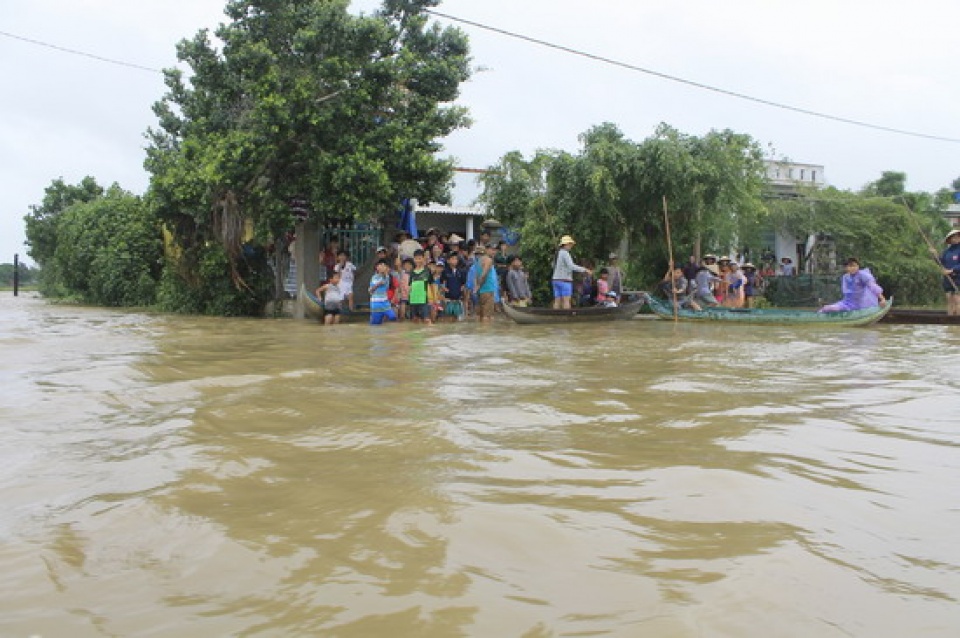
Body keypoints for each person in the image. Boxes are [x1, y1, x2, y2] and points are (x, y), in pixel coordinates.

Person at [819, 257, 886, 313]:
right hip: (847, 302)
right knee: (827, 308)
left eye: (854, 266)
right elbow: (846, 292)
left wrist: (882, 299)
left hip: (860, 304)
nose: (852, 268)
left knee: (832, 308)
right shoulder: (845, 277)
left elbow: (873, 287)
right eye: (850, 266)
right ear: (846, 268)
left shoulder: (862, 275)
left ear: (858, 266)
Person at [552, 235, 591, 309]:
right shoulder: (565, 253)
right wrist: (585, 269)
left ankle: (555, 317)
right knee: (566, 301)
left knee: (557, 301)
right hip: (564, 280)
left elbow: (553, 266)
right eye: (570, 244)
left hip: (555, 280)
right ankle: (566, 318)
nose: (571, 246)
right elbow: (571, 266)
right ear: (566, 244)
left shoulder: (557, 254)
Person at [368, 259, 398, 325]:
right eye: (380, 265)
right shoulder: (373, 277)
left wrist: (385, 271)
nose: (382, 266)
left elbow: (385, 277)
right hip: (375, 305)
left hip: (385, 304)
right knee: (375, 325)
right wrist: (377, 285)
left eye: (384, 265)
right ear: (377, 267)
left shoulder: (386, 276)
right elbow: (370, 291)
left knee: (393, 317)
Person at [474, 242, 498, 323]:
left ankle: (480, 333)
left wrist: (477, 286)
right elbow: (484, 273)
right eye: (492, 250)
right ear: (486, 250)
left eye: (494, 250)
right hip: (487, 289)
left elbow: (477, 275)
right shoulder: (488, 260)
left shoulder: (479, 260)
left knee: (480, 315)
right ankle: (485, 333)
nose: (493, 252)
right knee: (487, 316)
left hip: (481, 291)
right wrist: (479, 285)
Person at [407, 250, 433, 324]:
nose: (418, 260)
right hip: (413, 299)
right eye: (416, 258)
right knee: (415, 320)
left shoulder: (427, 271)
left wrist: (433, 299)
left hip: (424, 299)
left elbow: (431, 285)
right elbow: (410, 285)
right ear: (414, 259)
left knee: (426, 320)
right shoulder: (412, 272)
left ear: (423, 258)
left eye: (420, 258)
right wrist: (408, 297)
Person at [938, 229, 960, 315]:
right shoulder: (947, 251)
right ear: (950, 239)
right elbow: (941, 262)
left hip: (958, 278)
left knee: (957, 300)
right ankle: (950, 323)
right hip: (948, 279)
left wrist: (952, 270)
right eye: (953, 237)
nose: (955, 239)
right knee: (949, 301)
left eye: (957, 237)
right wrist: (934, 255)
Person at [440, 252, 467, 321]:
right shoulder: (445, 271)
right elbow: (441, 283)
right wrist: (444, 288)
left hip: (457, 299)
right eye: (452, 259)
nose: (454, 260)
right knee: (448, 318)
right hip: (448, 299)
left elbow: (464, 283)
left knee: (457, 319)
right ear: (448, 261)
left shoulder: (461, 271)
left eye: (456, 259)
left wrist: (462, 289)